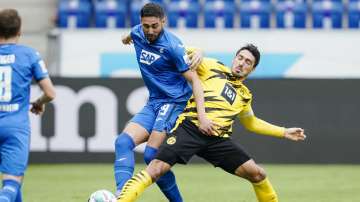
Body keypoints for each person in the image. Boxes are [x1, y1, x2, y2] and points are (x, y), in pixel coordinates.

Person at [117, 44, 307, 202]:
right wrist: (198, 50)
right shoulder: (212, 66)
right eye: (240, 57)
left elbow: (252, 123)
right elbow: (182, 51)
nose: (242, 63)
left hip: (217, 140)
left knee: (258, 174)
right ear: (234, 58)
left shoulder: (244, 95)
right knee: (156, 167)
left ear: (252, 69)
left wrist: (283, 132)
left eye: (248, 62)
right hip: (190, 128)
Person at [114, 3, 214, 202]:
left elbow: (195, 80)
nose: (150, 31)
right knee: (123, 142)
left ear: (163, 22)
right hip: (154, 102)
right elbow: (132, 34)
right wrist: (127, 38)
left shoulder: (173, 47)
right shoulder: (137, 33)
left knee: (152, 156)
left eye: (155, 26)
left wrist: (202, 116)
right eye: (146, 26)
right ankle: (122, 196)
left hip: (174, 102)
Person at [0, 9, 56, 202]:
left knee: (14, 185)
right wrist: (38, 103)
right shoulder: (29, 54)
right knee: (11, 182)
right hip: (15, 126)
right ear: (19, 31)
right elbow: (50, 93)